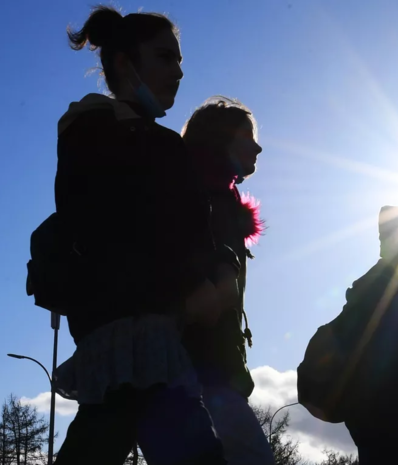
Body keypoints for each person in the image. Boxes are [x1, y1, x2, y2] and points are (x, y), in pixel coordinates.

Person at [52, 6, 238, 465]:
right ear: (124, 64)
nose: (178, 71)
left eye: (178, 59)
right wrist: (198, 282)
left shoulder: (98, 133)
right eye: (164, 57)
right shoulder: (127, 139)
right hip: (140, 333)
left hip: (124, 335)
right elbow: (132, 231)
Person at [180, 97, 271, 465]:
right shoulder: (196, 200)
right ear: (219, 141)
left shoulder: (222, 203)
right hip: (198, 363)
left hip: (214, 363)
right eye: (246, 136)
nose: (258, 146)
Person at [332, 206, 398, 465]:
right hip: (388, 430)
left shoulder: (385, 289)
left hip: (386, 428)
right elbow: (375, 367)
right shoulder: (383, 292)